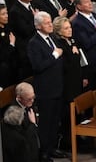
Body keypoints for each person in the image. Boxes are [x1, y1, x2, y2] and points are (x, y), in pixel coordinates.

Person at [28, 11, 64, 162]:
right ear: (38, 26)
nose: (51, 25)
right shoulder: (34, 43)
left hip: (57, 86)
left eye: (50, 22)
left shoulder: (52, 39)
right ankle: (44, 152)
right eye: (47, 23)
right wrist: (54, 55)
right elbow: (38, 66)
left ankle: (52, 148)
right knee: (46, 122)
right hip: (45, 89)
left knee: (55, 121)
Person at [2, 82, 40, 162]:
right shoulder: (12, 114)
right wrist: (33, 124)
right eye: (29, 99)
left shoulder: (30, 104)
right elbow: (21, 141)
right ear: (19, 98)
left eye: (33, 97)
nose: (32, 101)